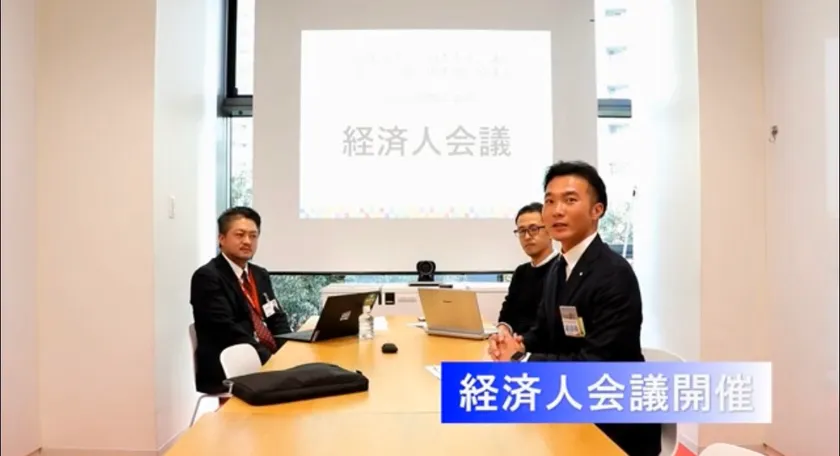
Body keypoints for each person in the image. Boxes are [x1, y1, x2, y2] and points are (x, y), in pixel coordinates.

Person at [487, 161, 661, 456]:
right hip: (568, 404)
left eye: (569, 200)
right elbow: (543, 330)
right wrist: (518, 343)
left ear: (597, 210)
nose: (557, 211)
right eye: (550, 201)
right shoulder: (558, 267)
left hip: (611, 421)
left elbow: (595, 366)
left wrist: (521, 359)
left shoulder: (613, 274)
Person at [190, 207, 292, 395]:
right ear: (221, 239)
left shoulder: (259, 274)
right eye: (240, 235)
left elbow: (276, 318)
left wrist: (288, 350)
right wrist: (269, 359)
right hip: (227, 367)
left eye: (253, 236)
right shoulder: (207, 277)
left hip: (262, 358)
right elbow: (226, 331)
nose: (247, 241)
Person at [496, 202, 558, 336]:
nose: (527, 237)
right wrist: (502, 330)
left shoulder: (563, 270)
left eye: (534, 229)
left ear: (550, 232)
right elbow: (507, 313)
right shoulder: (521, 272)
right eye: (522, 231)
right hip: (514, 343)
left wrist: (521, 342)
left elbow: (551, 325)